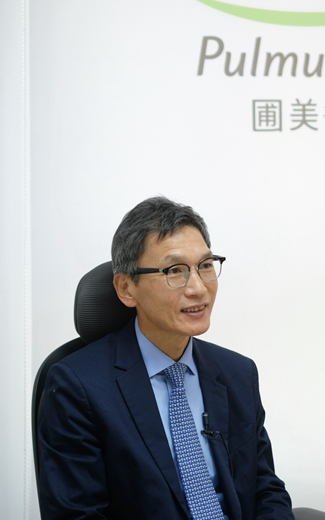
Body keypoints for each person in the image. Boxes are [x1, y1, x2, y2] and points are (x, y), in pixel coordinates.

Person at [38, 196, 294, 520]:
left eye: (205, 265)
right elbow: (78, 514)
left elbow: (265, 489)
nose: (198, 288)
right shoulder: (77, 386)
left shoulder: (238, 373)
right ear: (126, 288)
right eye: (175, 271)